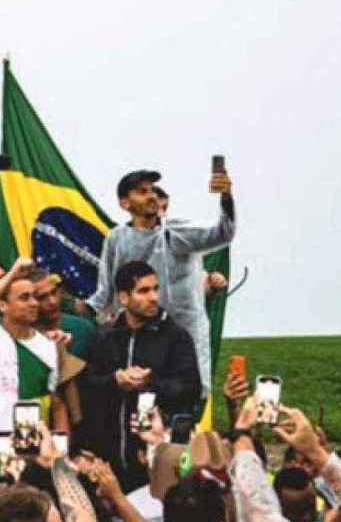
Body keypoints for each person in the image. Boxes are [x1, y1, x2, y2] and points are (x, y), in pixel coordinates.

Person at [86, 167, 236, 396]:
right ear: (125, 203)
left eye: (153, 190)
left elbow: (224, 233)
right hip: (139, 337)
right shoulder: (117, 238)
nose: (152, 196)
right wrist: (75, 315)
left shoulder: (177, 232)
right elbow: (105, 292)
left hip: (185, 334)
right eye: (142, 191)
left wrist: (226, 197)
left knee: (185, 398)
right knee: (140, 399)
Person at [81, 261, 201, 491]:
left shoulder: (176, 337)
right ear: (123, 298)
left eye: (156, 289)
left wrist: (149, 384)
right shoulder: (106, 338)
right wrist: (115, 381)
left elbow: (190, 389)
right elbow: (87, 387)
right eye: (144, 291)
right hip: (113, 460)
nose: (153, 297)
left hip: (162, 459)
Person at [0, 258, 69, 464]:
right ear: (2, 305)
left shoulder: (47, 345)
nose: (34, 303)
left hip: (32, 457)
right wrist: (11, 274)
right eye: (24, 298)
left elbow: (55, 401)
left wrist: (61, 455)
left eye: (34, 297)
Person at [29, 269, 97, 361]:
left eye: (54, 292)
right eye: (42, 297)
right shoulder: (22, 338)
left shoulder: (84, 330)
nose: (52, 302)